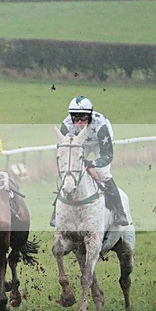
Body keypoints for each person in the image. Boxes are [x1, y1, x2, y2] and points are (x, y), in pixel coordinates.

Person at [53, 95, 129, 226]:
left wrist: (92, 163)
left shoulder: (101, 126)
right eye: (76, 117)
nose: (79, 121)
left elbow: (108, 155)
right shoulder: (66, 125)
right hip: (80, 142)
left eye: (83, 117)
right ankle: (55, 212)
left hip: (100, 142)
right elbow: (63, 151)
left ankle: (120, 212)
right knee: (70, 172)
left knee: (103, 173)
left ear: (90, 115)